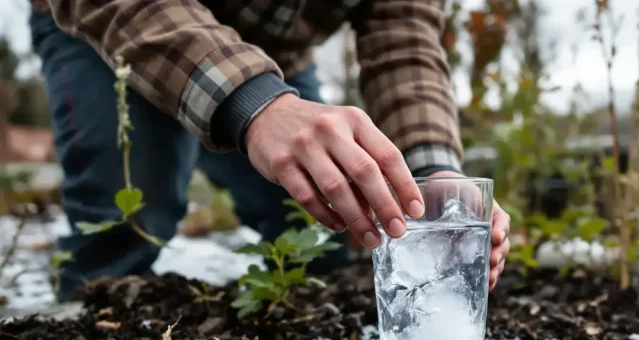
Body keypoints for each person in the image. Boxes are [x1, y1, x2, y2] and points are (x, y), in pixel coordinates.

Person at [28, 0, 511, 300]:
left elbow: (403, 38)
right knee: (129, 218)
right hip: (112, 26)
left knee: (324, 231)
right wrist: (252, 104)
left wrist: (434, 172)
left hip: (278, 61)